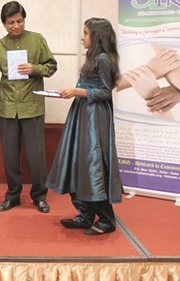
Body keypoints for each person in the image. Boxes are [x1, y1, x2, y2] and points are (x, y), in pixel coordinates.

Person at [0, 1, 57, 213]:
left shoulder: (37, 40)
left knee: (36, 156)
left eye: (19, 21)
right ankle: (13, 195)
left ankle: (39, 196)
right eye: (11, 23)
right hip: (8, 108)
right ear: (4, 24)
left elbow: (52, 66)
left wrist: (35, 69)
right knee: (10, 156)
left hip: (32, 107)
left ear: (24, 20)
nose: (16, 26)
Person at [46, 17, 122, 235]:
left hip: (95, 119)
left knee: (93, 165)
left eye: (86, 33)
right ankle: (86, 214)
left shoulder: (103, 59)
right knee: (78, 163)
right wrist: (72, 92)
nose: (82, 36)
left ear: (96, 36)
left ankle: (107, 220)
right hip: (83, 115)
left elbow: (106, 93)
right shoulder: (93, 58)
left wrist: (77, 91)